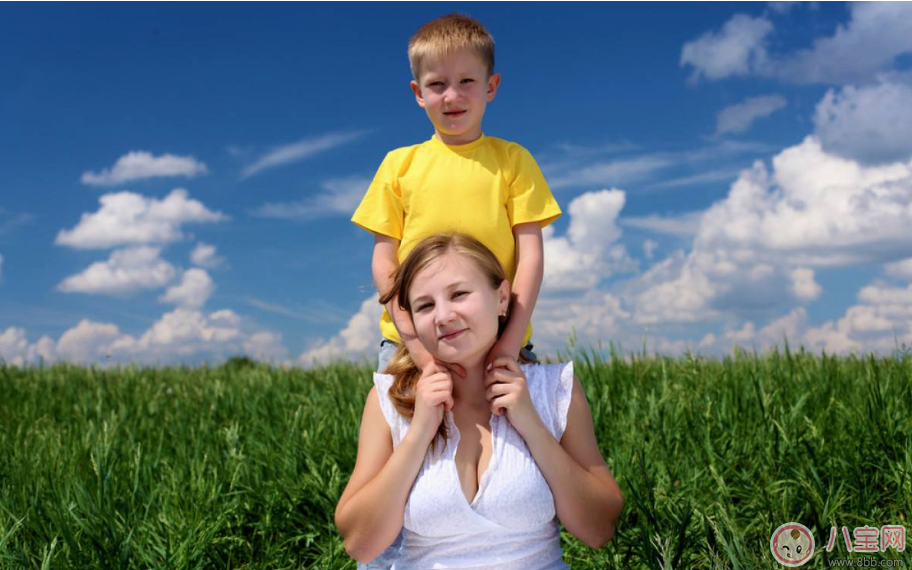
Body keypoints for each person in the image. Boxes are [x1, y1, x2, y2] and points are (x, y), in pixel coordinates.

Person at [335, 233, 623, 570]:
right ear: (411, 321)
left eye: (459, 294)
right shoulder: (390, 400)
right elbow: (360, 543)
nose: (443, 316)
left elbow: (599, 529)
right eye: (425, 305)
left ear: (501, 298)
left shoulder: (556, 388)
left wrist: (531, 424)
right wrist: (417, 436)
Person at [351, 12, 562, 378]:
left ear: (491, 86)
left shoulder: (513, 161)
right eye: (437, 84)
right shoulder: (397, 165)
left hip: (499, 342)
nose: (452, 96)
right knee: (407, 435)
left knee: (511, 434)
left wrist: (509, 343)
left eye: (467, 80)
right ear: (418, 93)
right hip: (409, 346)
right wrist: (415, 345)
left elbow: (530, 259)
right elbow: (385, 263)